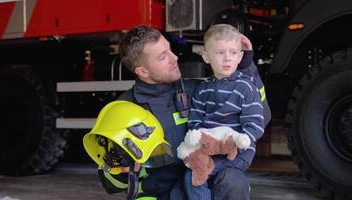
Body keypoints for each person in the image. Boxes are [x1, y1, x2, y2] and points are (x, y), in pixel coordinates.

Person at [96, 25, 270, 200]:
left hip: (201, 185)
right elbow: (110, 183)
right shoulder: (126, 110)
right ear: (142, 71)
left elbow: (261, 118)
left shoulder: (198, 90)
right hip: (158, 194)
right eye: (163, 56)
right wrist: (122, 169)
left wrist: (247, 68)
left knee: (233, 179)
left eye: (170, 50)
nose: (174, 57)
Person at [183, 24, 265, 200]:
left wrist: (242, 140)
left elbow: (255, 123)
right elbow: (195, 120)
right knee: (190, 177)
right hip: (208, 148)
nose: (227, 58)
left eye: (233, 52)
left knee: (201, 172)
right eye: (220, 53)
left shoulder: (246, 87)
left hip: (237, 153)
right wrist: (199, 140)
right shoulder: (202, 89)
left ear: (240, 56)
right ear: (206, 56)